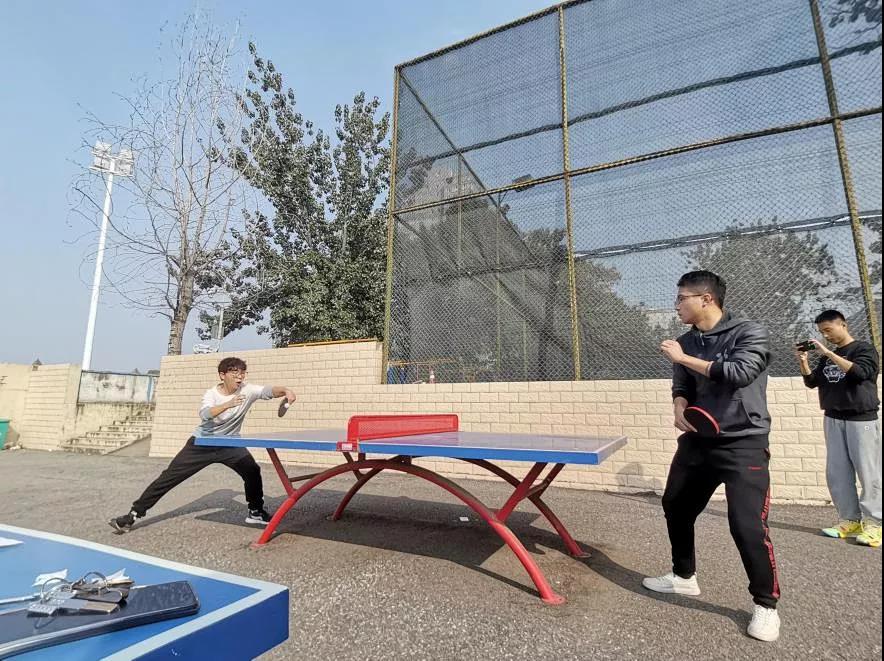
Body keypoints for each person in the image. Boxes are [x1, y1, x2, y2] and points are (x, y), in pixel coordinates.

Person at [642, 270, 781, 642]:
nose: (676, 305)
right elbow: (682, 384)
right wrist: (679, 405)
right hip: (697, 441)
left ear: (706, 299)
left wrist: (683, 357)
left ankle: (766, 605)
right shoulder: (685, 341)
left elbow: (740, 372)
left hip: (743, 443)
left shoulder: (749, 332)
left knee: (747, 525)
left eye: (681, 298)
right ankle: (683, 576)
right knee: (675, 505)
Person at [109, 357, 296, 533]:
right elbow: (205, 414)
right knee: (168, 478)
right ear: (222, 375)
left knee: (252, 471)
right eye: (234, 373)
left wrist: (286, 391)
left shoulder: (248, 390)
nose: (239, 377)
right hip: (202, 443)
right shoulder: (211, 394)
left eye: (242, 373)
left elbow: (269, 391)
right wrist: (228, 404)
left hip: (230, 443)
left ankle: (255, 512)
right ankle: (133, 515)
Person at [796, 309, 881, 548]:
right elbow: (812, 382)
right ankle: (849, 520)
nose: (826, 336)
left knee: (869, 472)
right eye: (822, 332)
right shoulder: (827, 358)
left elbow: (860, 373)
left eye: (828, 330)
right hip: (833, 418)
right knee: (838, 473)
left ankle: (875, 524)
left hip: (861, 419)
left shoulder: (864, 349)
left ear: (842, 325)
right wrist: (803, 362)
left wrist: (827, 353)